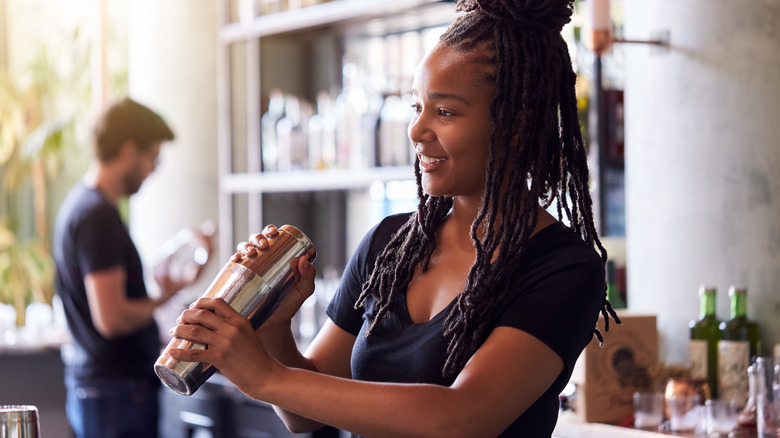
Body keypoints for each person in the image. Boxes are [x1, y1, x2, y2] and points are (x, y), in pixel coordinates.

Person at [167, 0, 620, 436]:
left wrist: (262, 376)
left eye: (444, 112)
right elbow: (304, 416)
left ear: (515, 124)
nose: (417, 130)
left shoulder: (563, 268)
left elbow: (461, 420)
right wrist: (273, 327)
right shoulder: (391, 245)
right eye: (416, 107)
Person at [53, 98, 206, 438]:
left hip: (102, 389)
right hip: (116, 392)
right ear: (127, 151)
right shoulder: (97, 217)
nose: (152, 169)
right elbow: (112, 318)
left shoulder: (81, 206)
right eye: (152, 157)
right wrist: (164, 297)